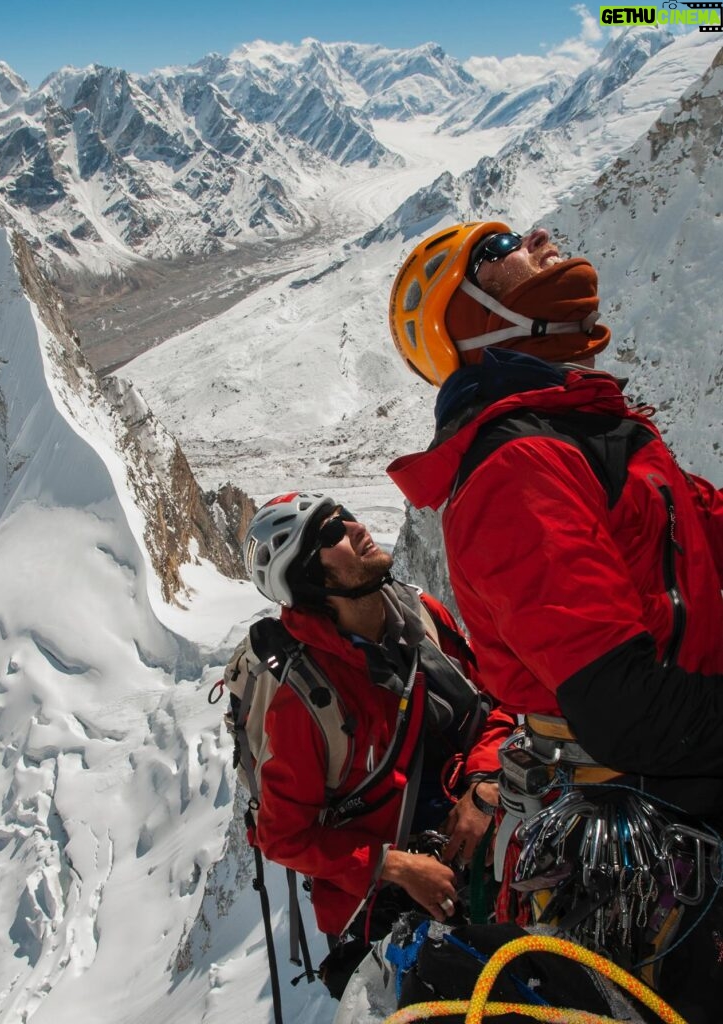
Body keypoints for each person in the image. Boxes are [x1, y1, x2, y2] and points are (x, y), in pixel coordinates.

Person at [385, 221, 723, 1020]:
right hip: (650, 841)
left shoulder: (597, 436)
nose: (535, 237)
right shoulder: (517, 468)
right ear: (468, 322)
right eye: (495, 252)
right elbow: (623, 706)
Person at [236, 491, 515, 953]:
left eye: (345, 515)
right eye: (331, 533)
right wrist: (397, 867)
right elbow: (283, 836)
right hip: (390, 904)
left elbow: (498, 700)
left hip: (487, 834)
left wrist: (484, 783)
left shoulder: (421, 615)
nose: (355, 527)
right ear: (309, 579)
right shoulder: (303, 700)